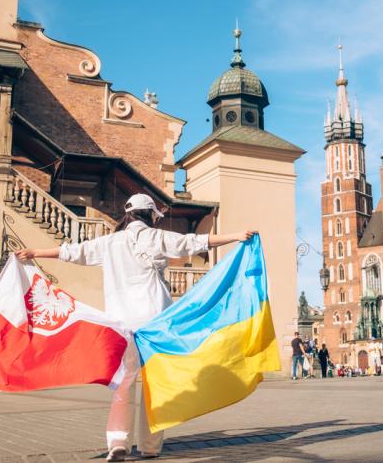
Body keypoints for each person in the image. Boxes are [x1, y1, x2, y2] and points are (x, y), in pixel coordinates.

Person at [15, 193, 253, 462]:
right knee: (155, 385)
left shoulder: (110, 243)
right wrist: (234, 236)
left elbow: (73, 251)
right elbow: (193, 242)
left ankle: (118, 441)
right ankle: (150, 447)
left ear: (128, 214)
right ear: (151, 214)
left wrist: (35, 252)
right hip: (155, 324)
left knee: (124, 384)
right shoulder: (156, 237)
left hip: (120, 324)